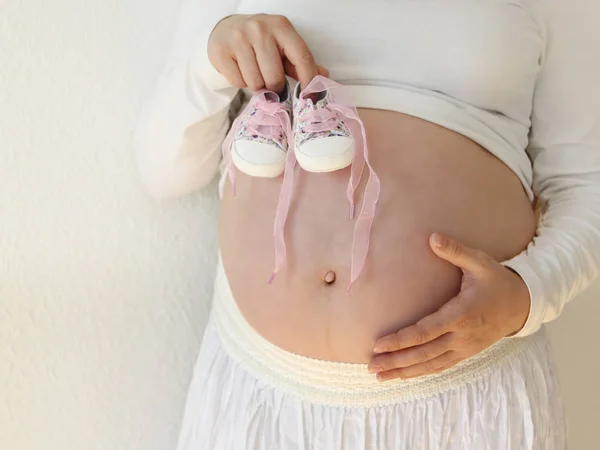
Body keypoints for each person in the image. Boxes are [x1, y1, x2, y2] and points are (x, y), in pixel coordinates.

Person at [134, 0, 600, 448]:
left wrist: (529, 294)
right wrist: (209, 62)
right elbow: (165, 173)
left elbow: (585, 186)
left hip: (468, 407)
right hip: (264, 402)